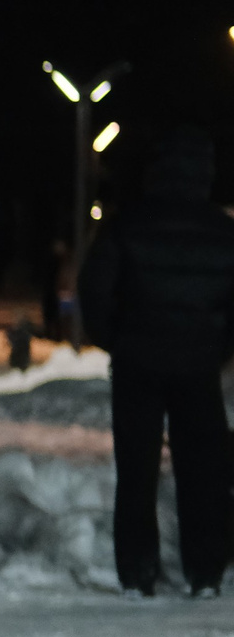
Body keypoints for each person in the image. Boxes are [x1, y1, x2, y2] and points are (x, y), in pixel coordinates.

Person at [80, 125, 234, 599]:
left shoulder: (127, 224)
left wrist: (116, 340)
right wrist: (218, 347)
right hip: (199, 366)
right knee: (202, 471)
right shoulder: (223, 231)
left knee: (137, 469)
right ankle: (205, 573)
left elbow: (93, 290)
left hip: (136, 366)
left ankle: (137, 571)